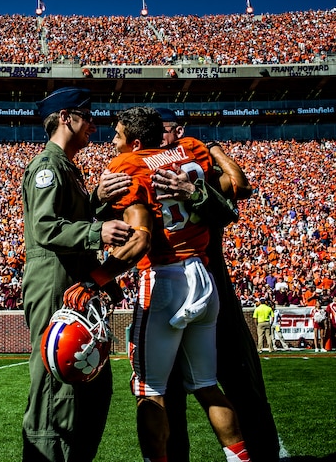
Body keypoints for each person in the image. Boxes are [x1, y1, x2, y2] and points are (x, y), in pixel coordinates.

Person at [81, 106, 252, 462]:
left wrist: (96, 279)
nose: (112, 141)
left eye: (117, 135)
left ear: (136, 140)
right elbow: (236, 186)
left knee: (150, 391)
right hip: (203, 278)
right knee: (206, 385)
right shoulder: (193, 150)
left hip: (163, 277)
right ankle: (240, 459)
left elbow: (138, 240)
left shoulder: (128, 167)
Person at [148, 108, 280, 462]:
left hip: (179, 292)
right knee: (212, 387)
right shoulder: (198, 172)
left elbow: (240, 190)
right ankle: (257, 452)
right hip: (204, 287)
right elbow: (240, 186)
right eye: (157, 132)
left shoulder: (143, 173)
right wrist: (216, 152)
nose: (163, 137)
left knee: (225, 385)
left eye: (167, 130)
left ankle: (260, 451)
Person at [21, 87, 133, 462]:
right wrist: (96, 232)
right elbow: (46, 227)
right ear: (66, 117)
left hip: (70, 281)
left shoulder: (67, 167)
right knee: (58, 387)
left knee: (89, 385)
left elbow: (72, 216)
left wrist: (96, 201)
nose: (94, 125)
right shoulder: (47, 167)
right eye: (87, 117)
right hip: (54, 280)